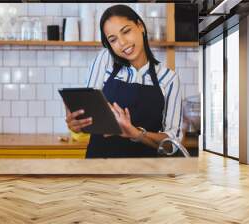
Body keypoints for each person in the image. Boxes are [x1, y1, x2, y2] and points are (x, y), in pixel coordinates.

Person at [65, 4, 183, 158]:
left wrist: (136, 133)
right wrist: (76, 125)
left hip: (145, 172)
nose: (122, 43)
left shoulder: (169, 78)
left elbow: (172, 143)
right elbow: (89, 116)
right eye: (113, 40)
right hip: (101, 167)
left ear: (140, 26)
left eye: (126, 31)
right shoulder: (105, 60)